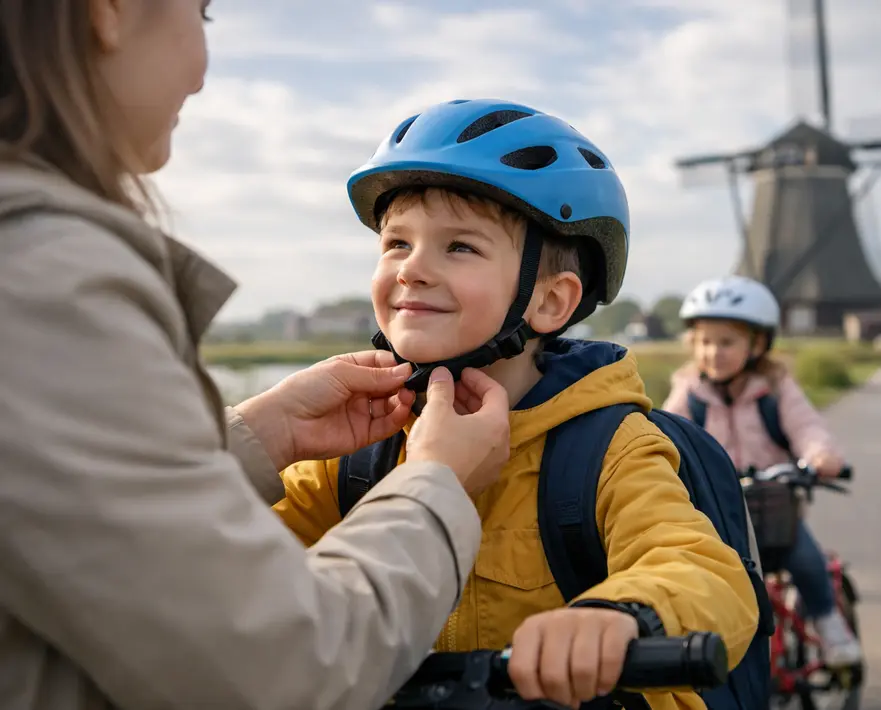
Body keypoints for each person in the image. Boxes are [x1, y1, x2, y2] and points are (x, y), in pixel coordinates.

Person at [0, 2, 513, 709]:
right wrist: (437, 485)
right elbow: (288, 664)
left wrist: (256, 436)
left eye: (459, 246)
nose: (204, 74)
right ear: (109, 12)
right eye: (202, 13)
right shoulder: (42, 279)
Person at [273, 98, 761, 710]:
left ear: (551, 303)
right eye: (397, 242)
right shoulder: (357, 447)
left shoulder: (605, 448)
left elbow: (702, 569)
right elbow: (220, 558)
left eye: (459, 248)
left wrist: (617, 617)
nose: (412, 270)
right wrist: (261, 439)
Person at [661, 276, 863, 667]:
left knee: (805, 558)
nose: (713, 352)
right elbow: (665, 432)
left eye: (726, 342)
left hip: (773, 509)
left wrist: (820, 455)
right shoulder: (689, 392)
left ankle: (829, 623)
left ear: (757, 344)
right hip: (717, 513)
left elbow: (807, 427)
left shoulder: (775, 388)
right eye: (704, 341)